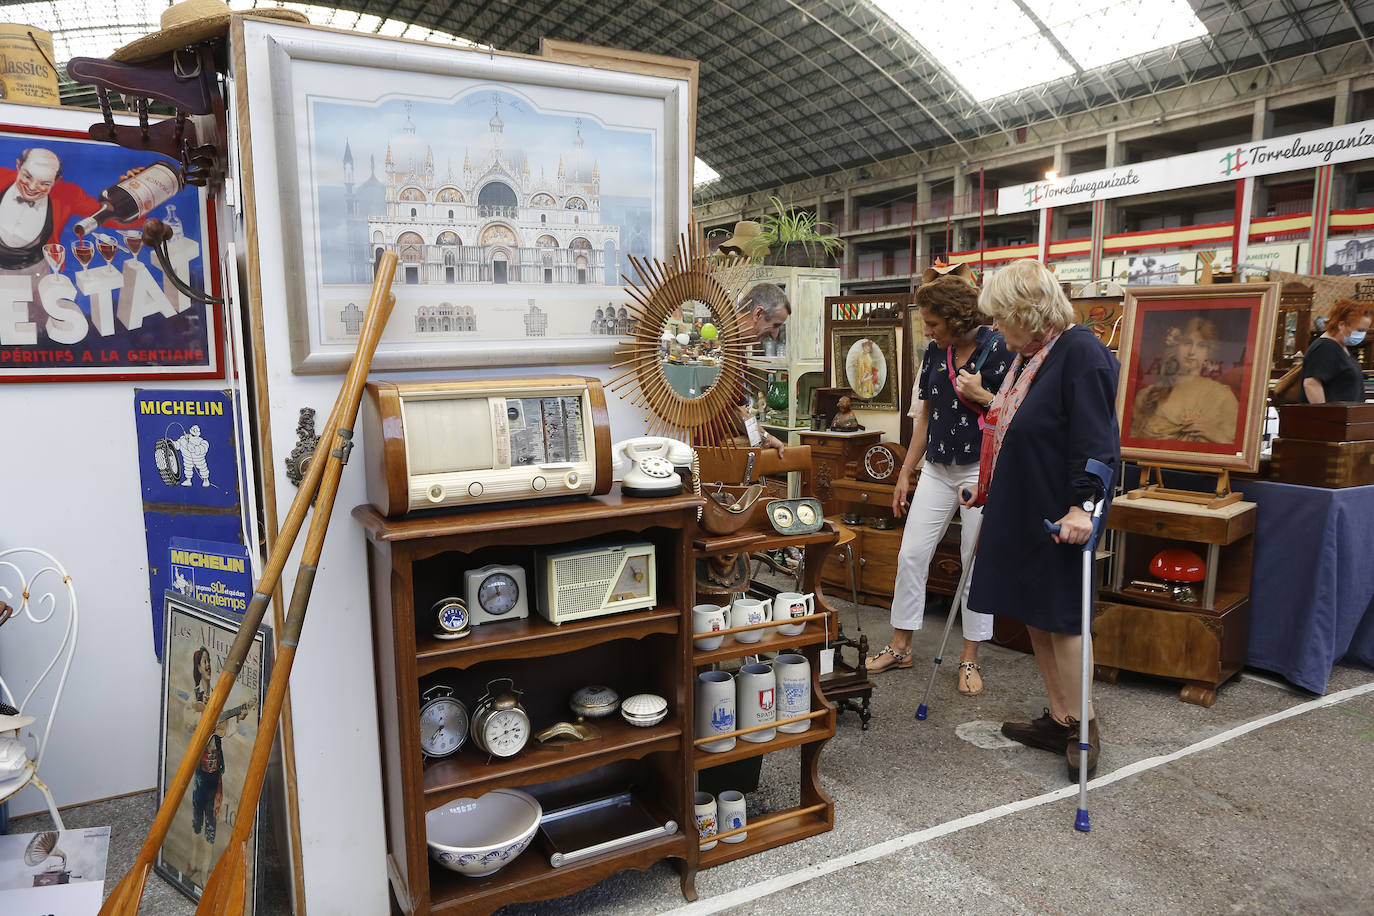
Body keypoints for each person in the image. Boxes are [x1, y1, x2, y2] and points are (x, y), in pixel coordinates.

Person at [961, 259, 1120, 777]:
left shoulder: (1081, 353)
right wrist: (985, 487)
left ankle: (1085, 726)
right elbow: (1015, 429)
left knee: (1063, 618)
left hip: (1060, 510)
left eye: (1003, 320)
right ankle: (1060, 715)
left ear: (1028, 312)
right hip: (1023, 502)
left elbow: (1097, 443)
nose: (999, 334)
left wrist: (1083, 505)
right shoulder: (1035, 356)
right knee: (1033, 608)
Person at [866, 275, 1011, 698]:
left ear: (955, 316)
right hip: (937, 467)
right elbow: (924, 418)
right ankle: (900, 646)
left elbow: (1017, 416)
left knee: (973, 562)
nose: (927, 330)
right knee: (911, 553)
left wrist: (983, 395)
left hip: (979, 470)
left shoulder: (1001, 350)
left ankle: (969, 657)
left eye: (932, 322)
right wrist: (906, 472)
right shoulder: (935, 352)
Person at [186, 645, 249, 883]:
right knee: (196, 817)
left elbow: (222, 730)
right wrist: (203, 721)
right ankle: (193, 862)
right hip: (200, 770)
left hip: (215, 773)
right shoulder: (196, 697)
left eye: (209, 659)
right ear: (198, 667)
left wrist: (237, 719)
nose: (209, 664)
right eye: (204, 661)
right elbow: (188, 721)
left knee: (211, 820)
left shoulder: (217, 695)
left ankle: (204, 871)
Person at [1129, 316, 1239, 443]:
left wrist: (1214, 434)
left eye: (1201, 346)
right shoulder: (1147, 396)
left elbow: (1234, 451)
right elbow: (1133, 443)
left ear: (1208, 353)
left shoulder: (1222, 397)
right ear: (1176, 347)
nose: (1192, 351)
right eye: (1187, 343)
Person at [735, 283, 790, 455]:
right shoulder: (722, 346)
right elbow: (731, 411)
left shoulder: (738, 348)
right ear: (758, 313)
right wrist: (764, 435)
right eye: (774, 325)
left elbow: (736, 408)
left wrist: (763, 436)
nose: (775, 335)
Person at [1301, 298, 1372, 404]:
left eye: (1365, 331)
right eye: (1360, 330)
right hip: (1332, 418)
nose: (1363, 335)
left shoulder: (1341, 347)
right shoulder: (1325, 347)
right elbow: (1311, 384)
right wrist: (1326, 416)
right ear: (1342, 325)